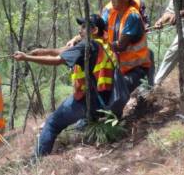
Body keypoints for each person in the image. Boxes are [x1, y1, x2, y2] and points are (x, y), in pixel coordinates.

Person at [13, 14, 115, 157]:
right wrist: (45, 51)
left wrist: (26, 58)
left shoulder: (86, 46)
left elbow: (57, 60)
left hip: (87, 100)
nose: (80, 30)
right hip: (104, 98)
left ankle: (35, 162)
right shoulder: (103, 44)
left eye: (84, 27)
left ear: (94, 30)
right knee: (77, 124)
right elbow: (67, 52)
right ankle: (86, 129)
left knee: (52, 123)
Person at [101, 0, 152, 93]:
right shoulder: (111, 12)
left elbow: (120, 46)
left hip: (137, 70)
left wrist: (100, 45)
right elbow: (97, 25)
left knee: (117, 95)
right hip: (121, 69)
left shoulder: (132, 15)